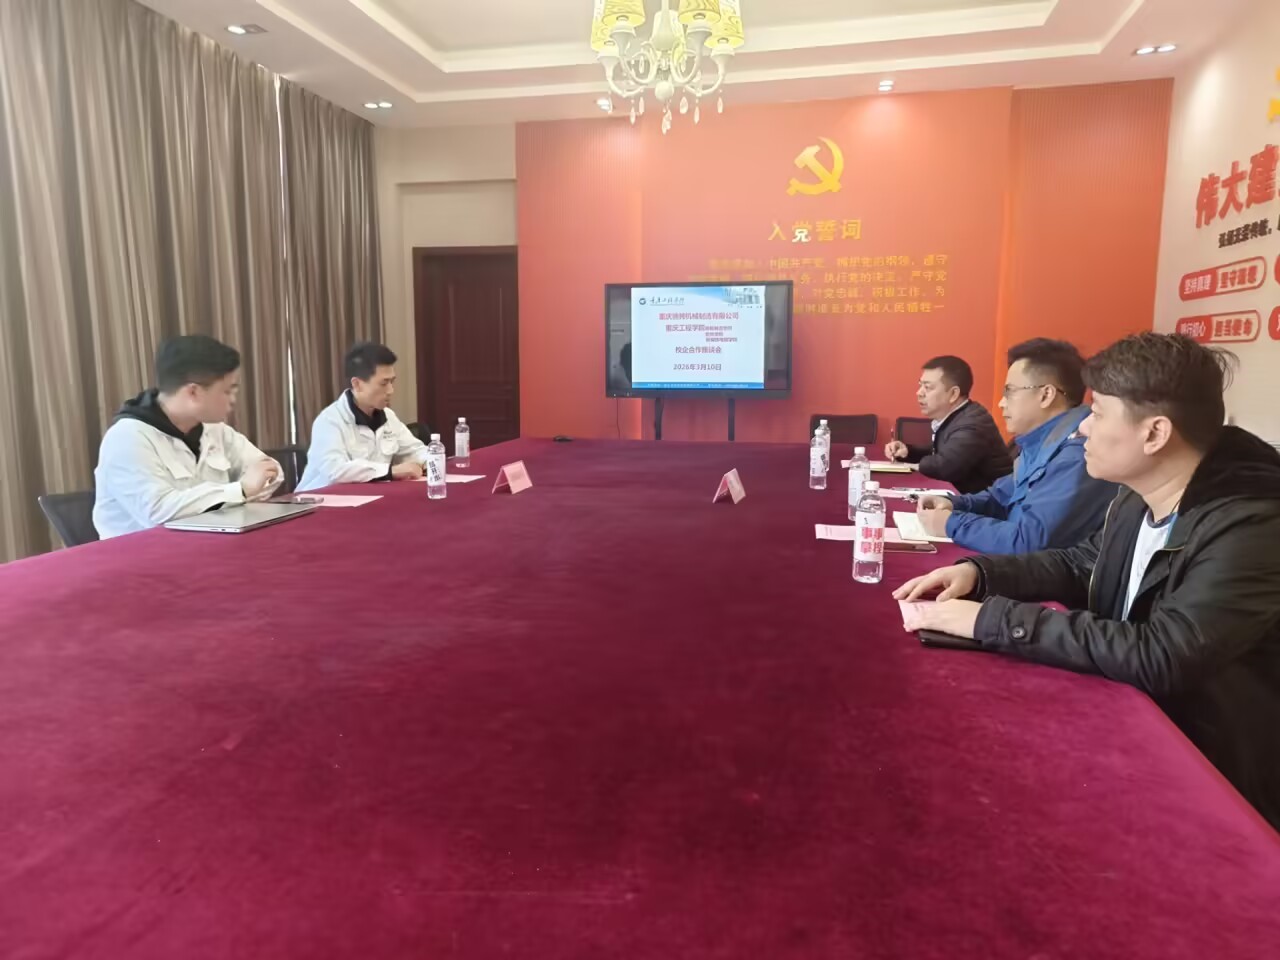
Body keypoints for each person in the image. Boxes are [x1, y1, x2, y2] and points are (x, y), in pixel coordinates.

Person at [895, 333, 1280, 829]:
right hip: (1130, 719)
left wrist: (991, 620)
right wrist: (981, 573)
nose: (1081, 429)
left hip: (1211, 770)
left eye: (1098, 414)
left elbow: (1162, 653)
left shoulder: (1251, 527)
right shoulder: (1136, 495)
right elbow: (1081, 563)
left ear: (1155, 434)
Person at [915, 339, 1116, 552]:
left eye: (1009, 391)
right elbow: (1000, 497)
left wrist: (951, 524)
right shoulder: (1038, 441)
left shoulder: (1078, 455)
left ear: (1045, 395)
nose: (1001, 403)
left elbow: (1028, 541)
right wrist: (954, 504)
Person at [93, 335, 282, 539]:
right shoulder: (128, 437)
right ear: (193, 392)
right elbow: (158, 511)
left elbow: (271, 471)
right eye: (227, 391)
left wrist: (247, 488)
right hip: (142, 552)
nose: (233, 400)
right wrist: (240, 491)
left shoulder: (215, 429)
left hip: (211, 542)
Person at [297, 341, 430, 491]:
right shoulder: (329, 420)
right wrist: (390, 472)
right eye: (383, 383)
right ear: (357, 384)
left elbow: (414, 450)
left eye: (392, 382)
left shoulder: (388, 416)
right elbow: (335, 470)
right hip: (320, 499)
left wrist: (429, 461)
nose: (390, 390)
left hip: (369, 495)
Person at [883, 355, 1012, 494]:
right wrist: (908, 452)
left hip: (990, 504)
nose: (919, 393)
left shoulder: (972, 423)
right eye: (920, 385)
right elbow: (943, 452)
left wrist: (912, 466)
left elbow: (946, 467)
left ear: (953, 394)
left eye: (927, 387)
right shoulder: (959, 416)